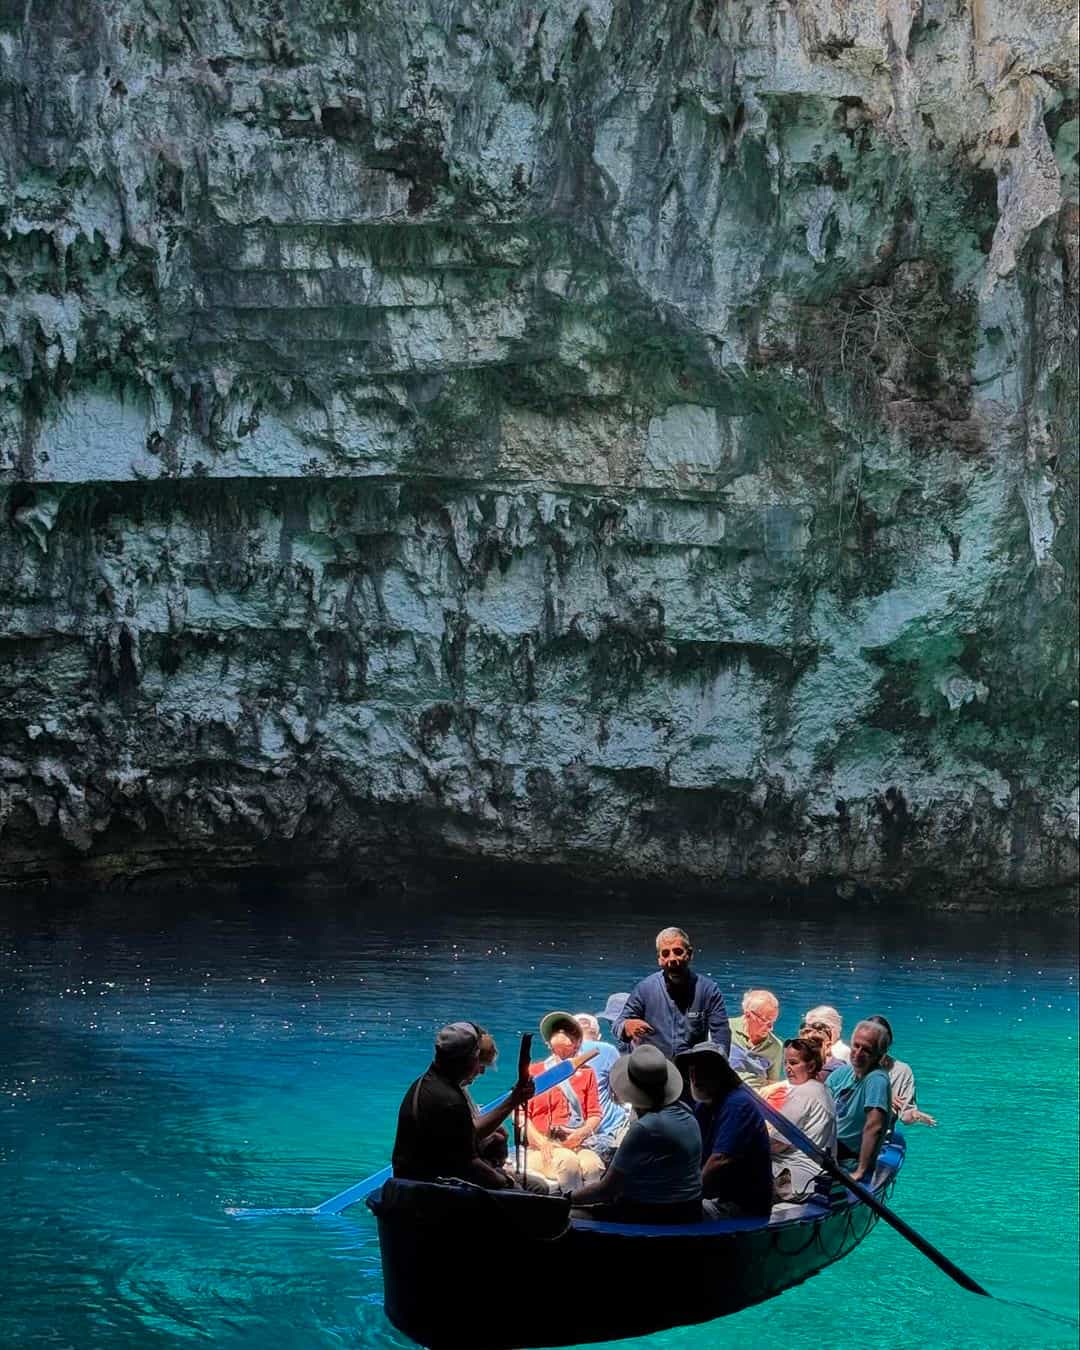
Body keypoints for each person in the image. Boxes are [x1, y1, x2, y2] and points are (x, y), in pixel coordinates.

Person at [567, 1044, 702, 1224]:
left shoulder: (646, 1128)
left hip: (653, 1212)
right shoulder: (686, 1113)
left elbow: (606, 1190)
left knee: (566, 1216)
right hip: (690, 1208)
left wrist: (566, 1197)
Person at [392, 1021, 533, 1189]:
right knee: (532, 1190)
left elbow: (460, 1140)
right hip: (430, 1192)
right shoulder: (449, 1100)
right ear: (468, 1060)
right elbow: (469, 1165)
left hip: (416, 1182)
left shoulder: (428, 1084)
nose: (480, 1069)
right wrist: (505, 1181)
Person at [682, 1041, 773, 1218]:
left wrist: (685, 1197)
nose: (695, 1077)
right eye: (693, 1071)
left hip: (740, 1206)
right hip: (716, 1197)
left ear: (720, 1074)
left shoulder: (738, 1103)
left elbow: (720, 1159)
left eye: (704, 1070)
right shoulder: (705, 1104)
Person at [614, 927, 731, 1062]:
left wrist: (719, 1064)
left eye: (678, 952)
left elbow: (721, 1034)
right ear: (659, 959)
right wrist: (626, 1026)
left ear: (690, 954)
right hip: (655, 1068)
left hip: (692, 1070)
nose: (672, 959)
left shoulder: (708, 990)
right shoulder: (645, 989)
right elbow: (618, 1024)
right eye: (665, 954)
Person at [525, 1012, 604, 1193]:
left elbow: (594, 1114)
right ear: (548, 1041)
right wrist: (541, 1142)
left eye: (569, 1031)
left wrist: (578, 1135)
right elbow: (522, 1116)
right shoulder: (534, 1071)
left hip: (575, 1142)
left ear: (577, 1042)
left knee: (592, 1165)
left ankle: (590, 1211)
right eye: (557, 1030)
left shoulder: (587, 1073)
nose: (562, 1033)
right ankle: (570, 1209)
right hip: (540, 1147)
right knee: (566, 1162)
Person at [768, 1037, 838, 1200]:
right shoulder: (823, 1090)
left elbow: (777, 1144)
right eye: (786, 1063)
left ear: (811, 1065)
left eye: (793, 1063)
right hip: (815, 1174)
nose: (787, 1068)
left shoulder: (803, 1094)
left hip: (793, 1177)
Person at [826, 1019, 892, 1183]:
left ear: (879, 1054)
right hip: (826, 1147)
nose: (858, 1053)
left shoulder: (876, 1080)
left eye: (867, 1050)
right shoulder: (841, 1073)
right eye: (856, 1046)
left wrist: (861, 1171)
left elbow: (874, 1126)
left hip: (847, 1157)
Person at [574, 1011, 632, 1162]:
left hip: (572, 1127)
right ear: (598, 1036)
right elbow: (621, 1089)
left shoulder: (556, 1057)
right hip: (603, 1128)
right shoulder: (607, 1050)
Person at [865, 1014, 937, 1128]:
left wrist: (915, 1115)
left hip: (882, 1136)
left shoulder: (902, 1071)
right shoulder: (851, 1065)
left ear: (889, 1044)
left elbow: (905, 1116)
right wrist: (884, 1095)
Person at [729, 990, 783, 1089]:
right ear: (748, 1014)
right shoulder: (725, 1029)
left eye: (773, 1021)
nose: (771, 1028)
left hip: (756, 1097)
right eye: (765, 1020)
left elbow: (772, 1084)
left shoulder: (776, 1046)